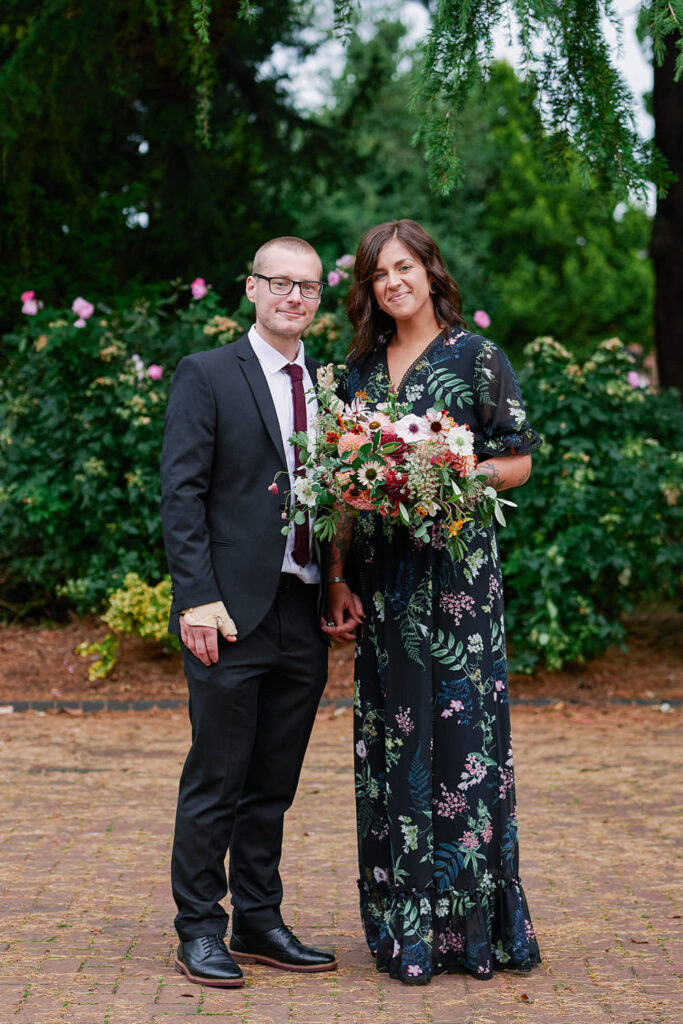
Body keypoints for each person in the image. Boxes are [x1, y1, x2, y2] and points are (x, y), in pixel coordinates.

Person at [326, 219, 543, 985]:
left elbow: (516, 459)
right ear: (369, 288)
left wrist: (454, 472)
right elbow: (341, 493)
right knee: (393, 743)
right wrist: (337, 576)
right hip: (383, 586)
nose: (392, 282)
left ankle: (471, 928)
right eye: (377, 273)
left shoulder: (477, 357)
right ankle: (401, 923)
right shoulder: (355, 372)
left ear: (428, 271)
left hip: (455, 582)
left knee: (460, 744)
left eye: (403, 267)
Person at [161, 236, 340, 988]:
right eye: (279, 283)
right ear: (251, 289)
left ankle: (258, 920)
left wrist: (335, 579)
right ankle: (199, 927)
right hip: (228, 610)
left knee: (274, 778)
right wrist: (195, 598)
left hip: (301, 607)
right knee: (218, 775)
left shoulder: (330, 388)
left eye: (306, 287)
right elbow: (182, 494)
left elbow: (336, 495)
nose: (293, 296)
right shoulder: (208, 374)